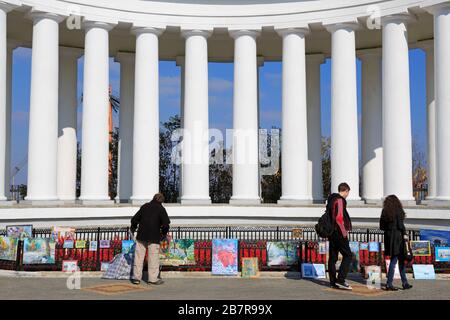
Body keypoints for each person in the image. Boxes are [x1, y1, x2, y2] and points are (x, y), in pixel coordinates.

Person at [130, 193, 171, 285]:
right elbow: (166, 225)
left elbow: (134, 219)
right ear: (161, 201)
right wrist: (163, 234)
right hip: (154, 237)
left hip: (141, 236)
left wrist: (133, 228)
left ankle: (136, 278)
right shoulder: (161, 209)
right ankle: (152, 279)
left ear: (153, 198)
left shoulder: (145, 206)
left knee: (139, 257)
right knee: (153, 258)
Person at [379, 195, 413, 291]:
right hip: (398, 237)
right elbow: (400, 225)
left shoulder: (385, 211)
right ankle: (390, 284)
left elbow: (381, 226)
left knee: (394, 260)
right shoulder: (398, 210)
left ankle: (404, 282)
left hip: (389, 237)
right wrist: (405, 234)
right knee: (399, 260)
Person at [327, 182, 353, 290]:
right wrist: (344, 232)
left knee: (333, 258)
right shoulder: (340, 200)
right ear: (345, 191)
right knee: (348, 255)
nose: (347, 195)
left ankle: (333, 282)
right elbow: (339, 218)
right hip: (339, 233)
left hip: (331, 232)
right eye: (348, 193)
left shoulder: (331, 200)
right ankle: (341, 280)